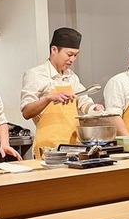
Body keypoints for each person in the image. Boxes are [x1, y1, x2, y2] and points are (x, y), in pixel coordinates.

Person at [20, 27, 104, 158]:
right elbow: (26, 111)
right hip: (48, 148)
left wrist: (94, 108)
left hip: (73, 145)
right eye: (69, 54)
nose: (72, 59)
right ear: (54, 50)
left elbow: (83, 101)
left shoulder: (72, 77)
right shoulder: (35, 74)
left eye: (76, 55)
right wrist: (48, 99)